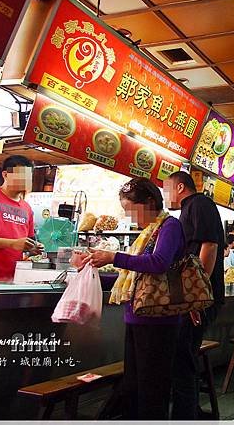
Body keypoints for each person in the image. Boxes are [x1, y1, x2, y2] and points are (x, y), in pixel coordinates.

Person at [87, 177, 185, 419]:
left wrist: (113, 257)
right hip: (137, 318)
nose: (130, 216)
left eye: (132, 209)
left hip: (159, 319)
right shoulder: (147, 234)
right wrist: (92, 271)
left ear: (150, 202)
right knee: (134, 383)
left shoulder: (169, 226)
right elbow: (132, 275)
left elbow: (159, 263)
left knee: (152, 387)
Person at [163, 171, 225, 420]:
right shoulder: (189, 209)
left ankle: (185, 416)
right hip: (194, 298)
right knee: (183, 357)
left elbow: (209, 246)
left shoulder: (199, 204)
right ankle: (190, 412)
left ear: (179, 187)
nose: (165, 194)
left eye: (166, 188)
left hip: (198, 300)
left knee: (182, 360)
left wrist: (194, 297)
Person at [0, 155, 43, 281]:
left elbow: (22, 244)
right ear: (5, 175)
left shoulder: (26, 208)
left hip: (11, 281)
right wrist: (12, 243)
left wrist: (32, 248)